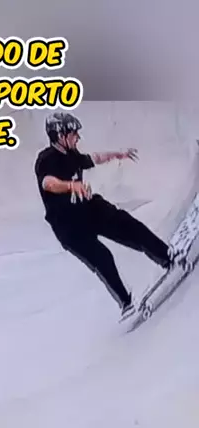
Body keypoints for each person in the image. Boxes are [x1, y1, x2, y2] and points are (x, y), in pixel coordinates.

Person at [34, 111, 175, 320]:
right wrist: (71, 185)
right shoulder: (46, 159)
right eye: (74, 134)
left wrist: (118, 154)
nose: (78, 137)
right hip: (68, 227)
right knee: (102, 257)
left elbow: (94, 158)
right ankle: (126, 303)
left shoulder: (72, 154)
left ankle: (167, 256)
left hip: (88, 209)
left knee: (128, 225)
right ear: (60, 136)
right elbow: (48, 183)